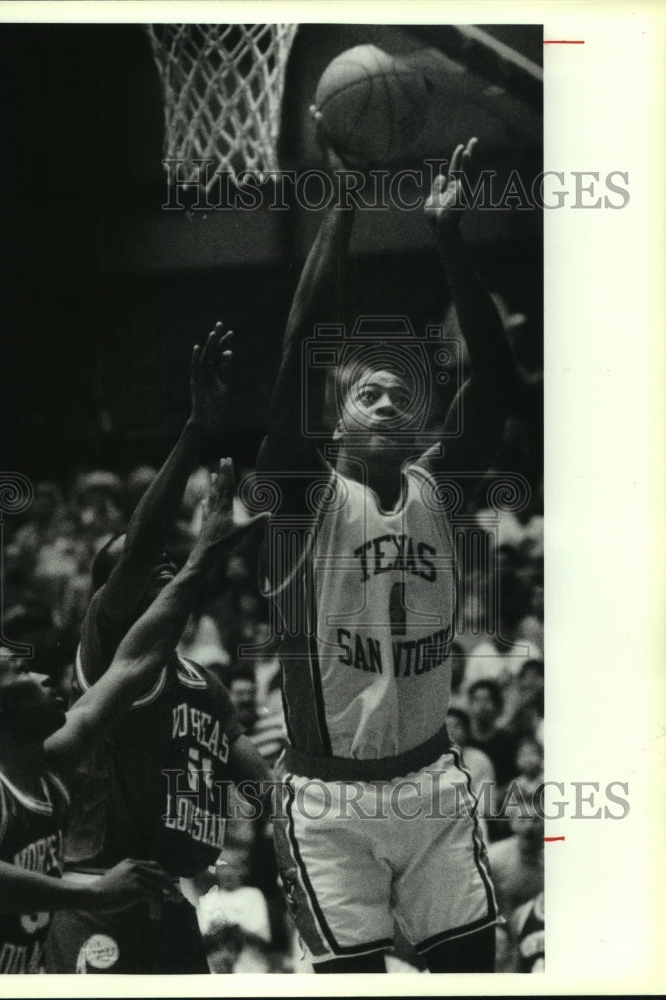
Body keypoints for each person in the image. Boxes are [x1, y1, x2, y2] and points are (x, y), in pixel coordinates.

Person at [254, 129, 517, 973]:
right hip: (328, 798)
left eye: (405, 393)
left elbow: (502, 382)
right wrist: (344, 207)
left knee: (475, 969)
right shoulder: (307, 498)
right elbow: (299, 350)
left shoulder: (441, 489)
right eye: (369, 390)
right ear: (335, 422)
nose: (391, 398)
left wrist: (448, 236)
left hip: (434, 782)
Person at [0, 461, 250, 975]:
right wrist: (92, 894)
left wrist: (207, 551)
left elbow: (139, 661)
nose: (40, 678)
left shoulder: (51, 766)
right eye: (19, 671)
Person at [46, 329, 273, 975]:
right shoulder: (111, 648)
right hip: (99, 889)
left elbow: (265, 789)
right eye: (144, 572)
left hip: (172, 900)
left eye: (170, 569)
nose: (162, 573)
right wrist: (196, 430)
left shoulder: (204, 684)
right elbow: (144, 548)